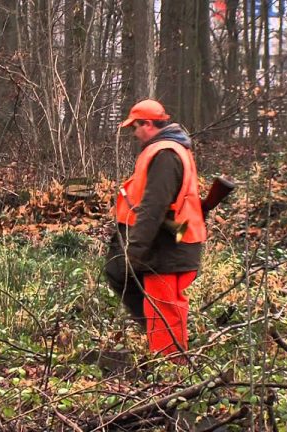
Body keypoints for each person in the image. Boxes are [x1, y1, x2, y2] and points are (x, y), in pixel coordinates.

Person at [104, 99, 206, 359]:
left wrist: (136, 250)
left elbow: (154, 206)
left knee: (165, 307)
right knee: (121, 276)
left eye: (135, 127)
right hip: (166, 239)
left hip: (169, 244)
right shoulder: (165, 150)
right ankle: (162, 348)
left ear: (148, 124)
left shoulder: (165, 154)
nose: (134, 133)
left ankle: (171, 365)